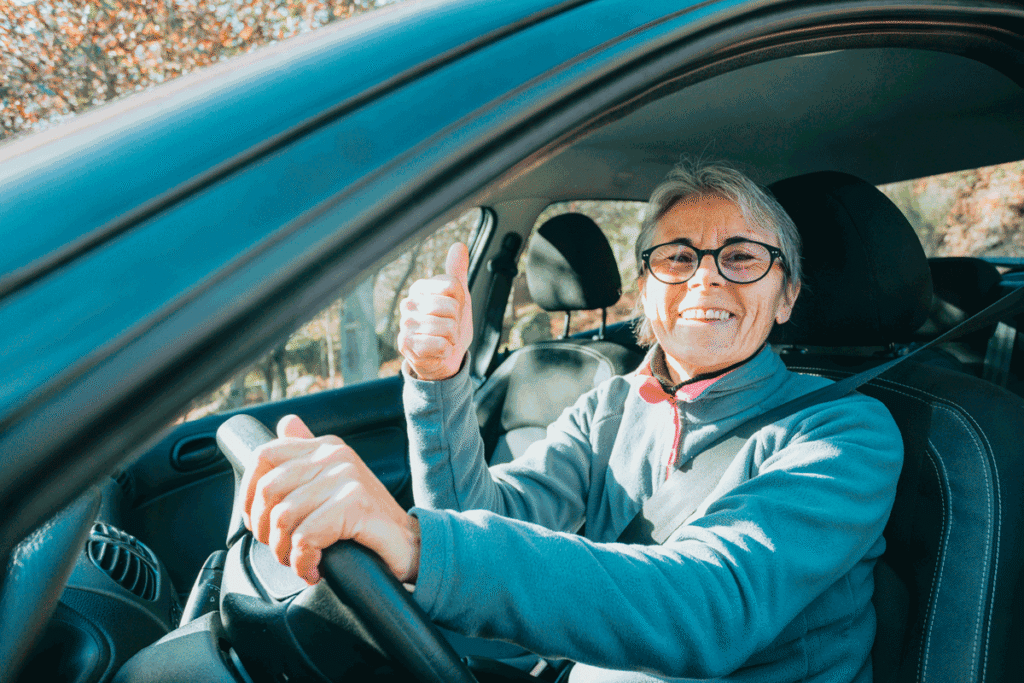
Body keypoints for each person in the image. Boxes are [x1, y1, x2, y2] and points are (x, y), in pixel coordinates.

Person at [241, 160, 903, 682]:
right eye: (677, 256)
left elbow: (710, 607)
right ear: (646, 289)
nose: (706, 278)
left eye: (742, 257)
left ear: (785, 295)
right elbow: (477, 515)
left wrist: (416, 542)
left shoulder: (845, 432)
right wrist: (440, 381)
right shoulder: (611, 406)